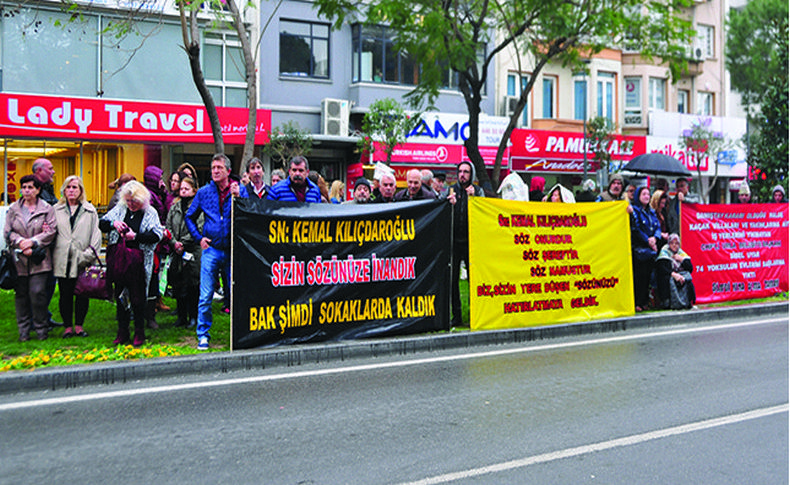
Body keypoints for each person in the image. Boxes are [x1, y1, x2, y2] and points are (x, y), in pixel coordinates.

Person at [186, 153, 247, 350]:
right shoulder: (204, 192)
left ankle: (239, 332)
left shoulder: (239, 190)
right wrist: (198, 238)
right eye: (213, 168)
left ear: (228, 171)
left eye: (219, 168)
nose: (215, 171)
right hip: (211, 249)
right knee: (205, 295)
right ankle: (203, 334)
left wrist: (240, 197)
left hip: (232, 249)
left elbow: (249, 213)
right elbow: (189, 216)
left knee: (236, 293)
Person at [100, 181, 163, 347]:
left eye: (134, 201)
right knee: (121, 297)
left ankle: (139, 331)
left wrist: (135, 236)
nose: (130, 205)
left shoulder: (150, 212)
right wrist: (114, 224)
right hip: (120, 260)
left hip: (140, 261)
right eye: (128, 201)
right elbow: (102, 224)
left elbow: (157, 235)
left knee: (138, 298)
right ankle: (122, 331)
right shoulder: (121, 209)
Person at [4, 175, 57, 341]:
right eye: (24, 187)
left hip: (39, 260)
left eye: (30, 187)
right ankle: (24, 332)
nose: (26, 190)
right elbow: (8, 232)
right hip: (19, 260)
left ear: (38, 190)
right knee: (21, 295)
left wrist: (32, 242)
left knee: (37, 293)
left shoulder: (47, 208)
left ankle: (41, 329)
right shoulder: (13, 209)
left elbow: (51, 231)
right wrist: (20, 242)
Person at [52, 176, 102, 338]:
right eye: (68, 187)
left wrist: (89, 254)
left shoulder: (90, 210)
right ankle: (67, 327)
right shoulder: (55, 210)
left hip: (83, 258)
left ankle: (79, 326)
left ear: (81, 191)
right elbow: (50, 232)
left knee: (82, 293)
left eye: (75, 187)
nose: (71, 190)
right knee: (65, 294)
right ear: (64, 190)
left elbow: (96, 234)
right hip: (63, 258)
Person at [449, 161, 484, 327]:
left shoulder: (478, 191)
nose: (462, 175)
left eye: (466, 172)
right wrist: (448, 205)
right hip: (454, 242)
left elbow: (485, 211)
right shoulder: (451, 190)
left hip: (472, 243)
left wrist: (475, 199)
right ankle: (456, 314)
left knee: (473, 280)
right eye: (460, 171)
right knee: (453, 280)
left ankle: (474, 314)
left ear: (472, 175)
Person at [166, 176, 202, 328]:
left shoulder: (199, 207)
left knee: (193, 285)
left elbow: (199, 227)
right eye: (181, 189)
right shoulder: (174, 207)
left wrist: (184, 242)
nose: (183, 192)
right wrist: (174, 243)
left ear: (194, 190)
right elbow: (168, 226)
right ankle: (181, 317)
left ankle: (193, 316)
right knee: (178, 283)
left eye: (186, 189)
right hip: (176, 251)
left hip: (192, 250)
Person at [31, 158, 61, 329]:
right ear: (39, 171)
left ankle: (44, 316)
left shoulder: (48, 190)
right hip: (38, 247)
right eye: (50, 168)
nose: (53, 171)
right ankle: (35, 320)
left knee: (49, 284)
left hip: (51, 246)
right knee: (38, 286)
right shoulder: (34, 191)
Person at [630, 186, 661, 312]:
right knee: (639, 277)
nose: (646, 197)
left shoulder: (651, 212)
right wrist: (647, 240)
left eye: (648, 194)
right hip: (639, 249)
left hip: (650, 250)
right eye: (643, 194)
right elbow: (635, 229)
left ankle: (644, 302)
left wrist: (655, 238)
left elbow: (657, 226)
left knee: (648, 277)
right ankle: (638, 302)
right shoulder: (635, 211)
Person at [656, 233, 696, 310]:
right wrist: (674, 274)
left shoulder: (681, 253)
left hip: (680, 275)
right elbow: (661, 269)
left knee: (687, 278)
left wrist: (681, 259)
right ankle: (669, 303)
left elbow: (690, 268)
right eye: (672, 243)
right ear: (668, 244)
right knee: (667, 279)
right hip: (669, 274)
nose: (674, 245)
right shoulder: (664, 252)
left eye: (677, 243)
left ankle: (688, 301)